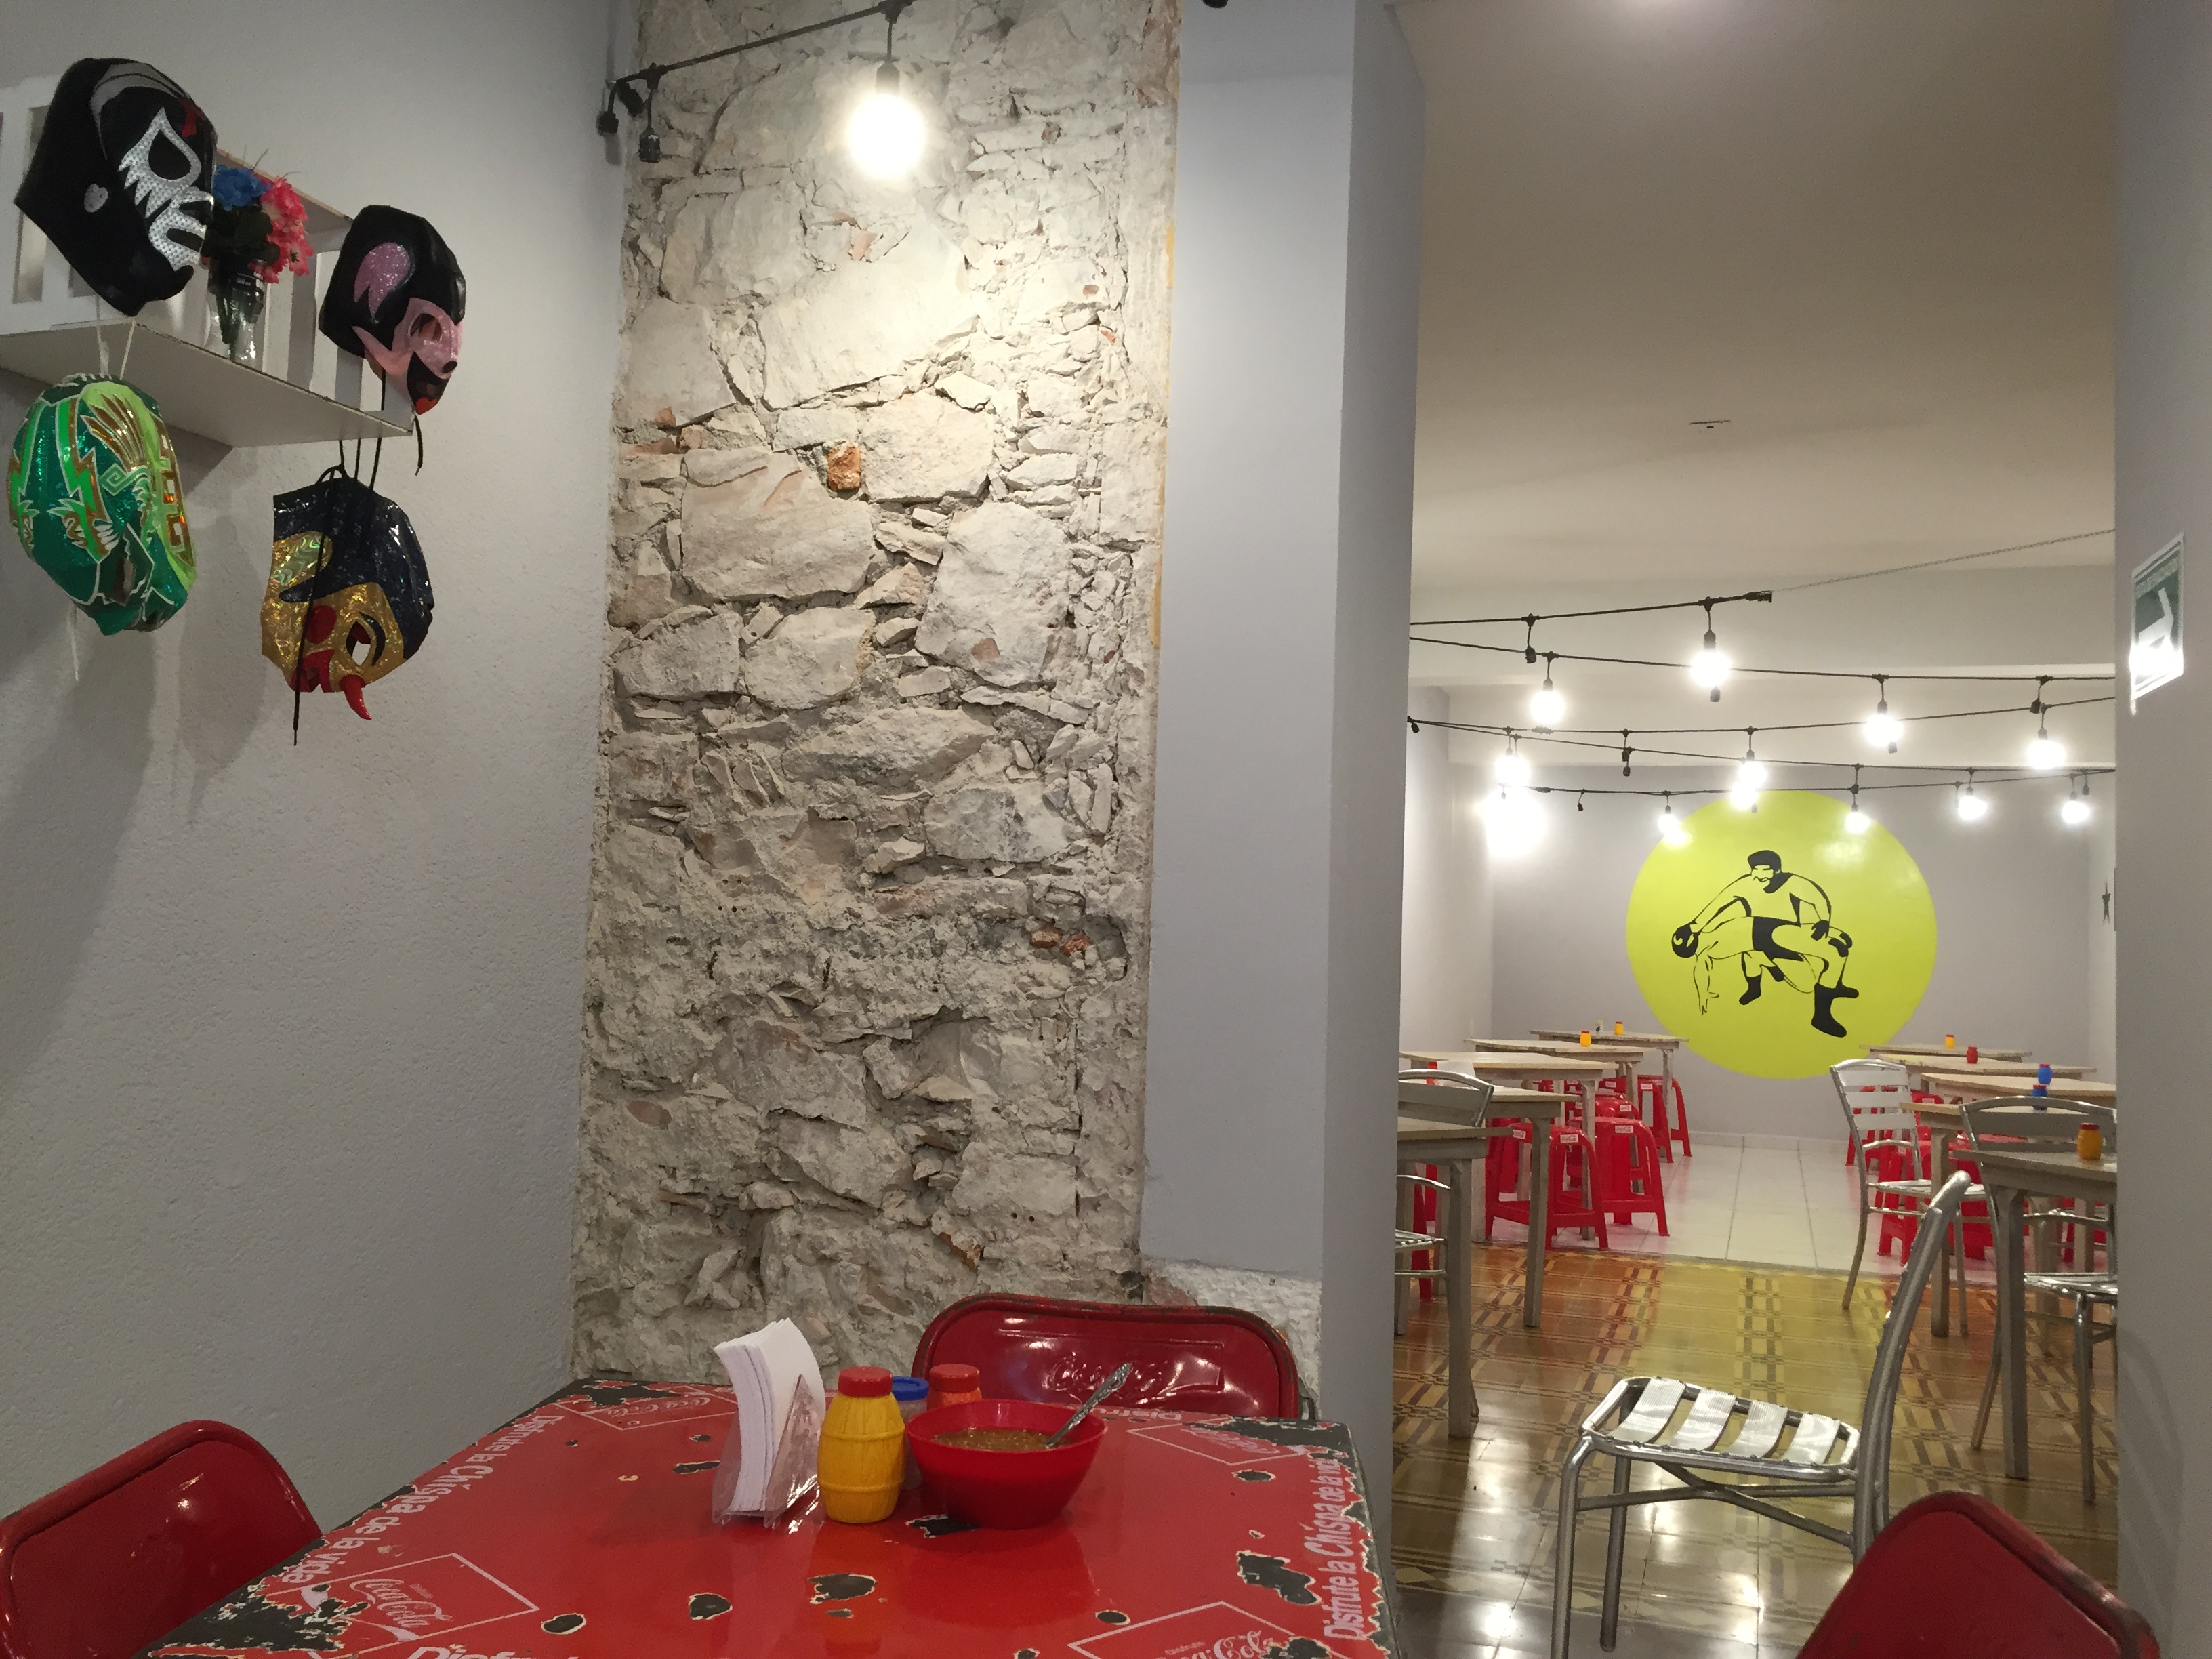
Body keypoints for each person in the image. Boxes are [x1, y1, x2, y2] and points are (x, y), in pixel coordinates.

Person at [1671, 850, 1859, 1037]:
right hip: (1769, 934)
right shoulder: (1745, 884)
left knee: (1841, 943)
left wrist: (1825, 921)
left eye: (1765, 870)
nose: (1759, 875)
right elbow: (1717, 905)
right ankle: (1821, 1017)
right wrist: (1694, 925)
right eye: (1756, 870)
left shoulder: (1792, 882)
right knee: (1831, 957)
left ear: (1777, 870)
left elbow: (1819, 899)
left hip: (1777, 930)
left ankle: (1833, 987)